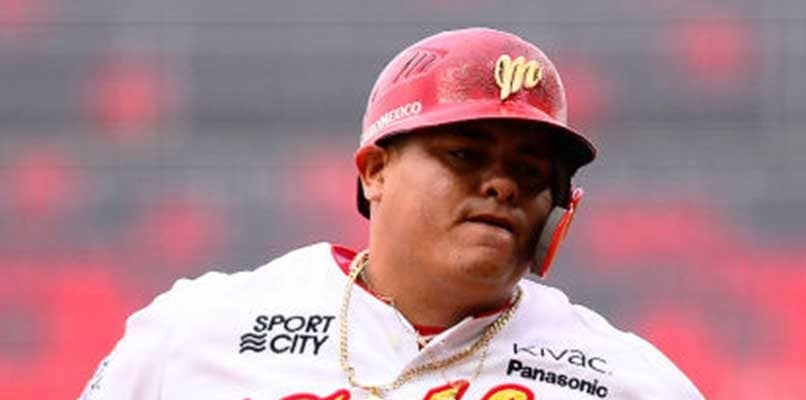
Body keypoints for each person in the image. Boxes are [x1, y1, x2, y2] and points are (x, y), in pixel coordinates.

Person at [80, 27, 704, 400]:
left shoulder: (625, 380)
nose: (502, 185)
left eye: (532, 172)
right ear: (374, 171)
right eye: (465, 155)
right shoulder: (196, 331)